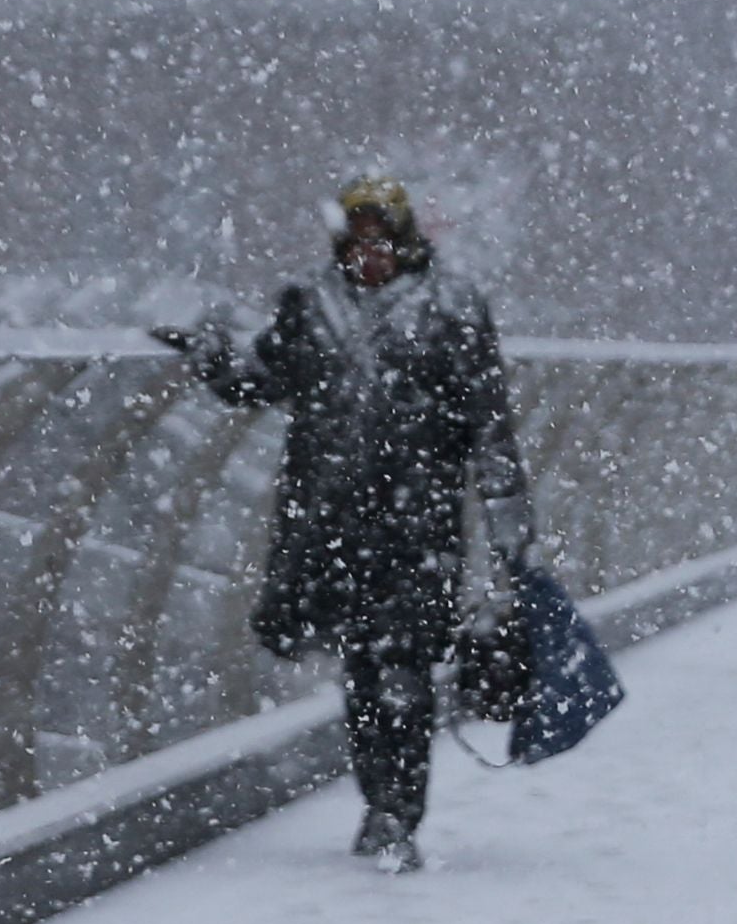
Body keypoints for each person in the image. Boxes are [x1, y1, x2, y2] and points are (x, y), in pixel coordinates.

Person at [168, 174, 535, 872]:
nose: (370, 255)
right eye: (358, 242)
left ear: (405, 242)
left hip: (420, 527)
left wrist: (509, 526)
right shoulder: (311, 305)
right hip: (332, 524)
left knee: (404, 667)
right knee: (365, 669)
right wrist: (209, 355)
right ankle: (382, 801)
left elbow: (489, 424)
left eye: (382, 241)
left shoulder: (452, 307)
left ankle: (398, 810)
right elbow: (263, 380)